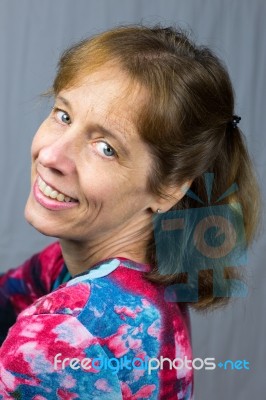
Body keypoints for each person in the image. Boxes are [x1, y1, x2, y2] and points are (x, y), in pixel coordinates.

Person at [0, 25, 260, 399]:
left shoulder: (58, 339)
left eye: (106, 148)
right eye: (63, 115)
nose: (51, 155)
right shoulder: (128, 277)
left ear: (168, 188)